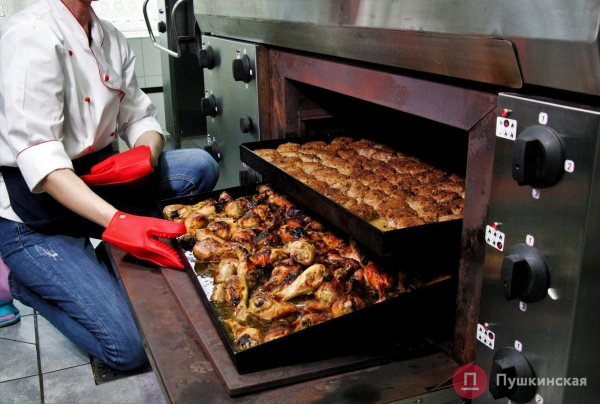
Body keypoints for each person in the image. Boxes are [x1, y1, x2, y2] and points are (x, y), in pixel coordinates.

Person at [0, 0, 219, 370]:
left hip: (97, 180)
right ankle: (23, 282)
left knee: (199, 165)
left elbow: (139, 117)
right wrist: (119, 222)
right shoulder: (29, 35)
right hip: (35, 210)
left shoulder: (110, 37)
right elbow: (41, 161)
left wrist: (145, 153)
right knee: (128, 347)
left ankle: (109, 257)